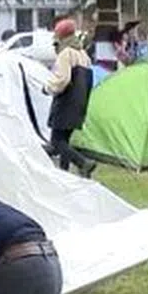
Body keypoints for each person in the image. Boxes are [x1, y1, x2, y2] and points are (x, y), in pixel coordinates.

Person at [44, 19, 97, 177]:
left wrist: (47, 88)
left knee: (56, 142)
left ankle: (83, 163)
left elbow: (62, 79)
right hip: (79, 104)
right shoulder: (84, 55)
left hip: (66, 102)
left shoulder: (66, 53)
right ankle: (64, 173)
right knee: (65, 141)